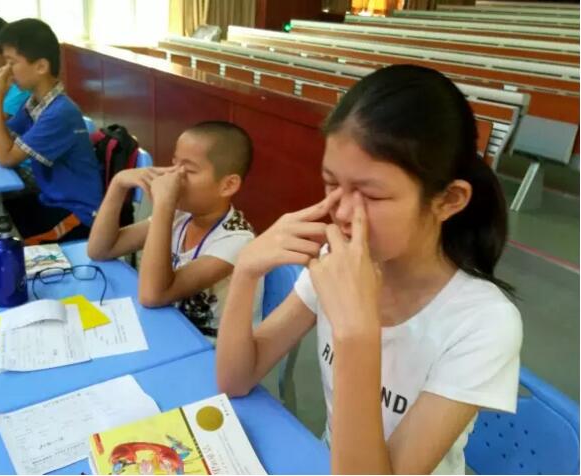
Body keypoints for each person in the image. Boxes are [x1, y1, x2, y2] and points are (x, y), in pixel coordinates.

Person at [216, 65, 522, 474]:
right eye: (331, 183)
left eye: (372, 196)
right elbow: (235, 379)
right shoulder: (335, 263)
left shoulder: (484, 323)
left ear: (448, 200)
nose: (342, 212)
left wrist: (356, 333)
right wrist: (246, 271)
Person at [88, 121, 262, 338]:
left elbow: (152, 295)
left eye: (188, 170)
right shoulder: (183, 217)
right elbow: (101, 250)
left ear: (228, 185)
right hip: (169, 326)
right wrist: (118, 184)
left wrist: (164, 205)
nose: (173, 176)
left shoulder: (238, 241)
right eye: (174, 164)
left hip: (209, 348)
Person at [0, 18, 102, 244]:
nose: (6, 70)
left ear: (40, 66)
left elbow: (6, 157)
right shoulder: (34, 103)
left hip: (77, 214)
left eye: (11, 62)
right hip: (50, 200)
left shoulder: (60, 112)